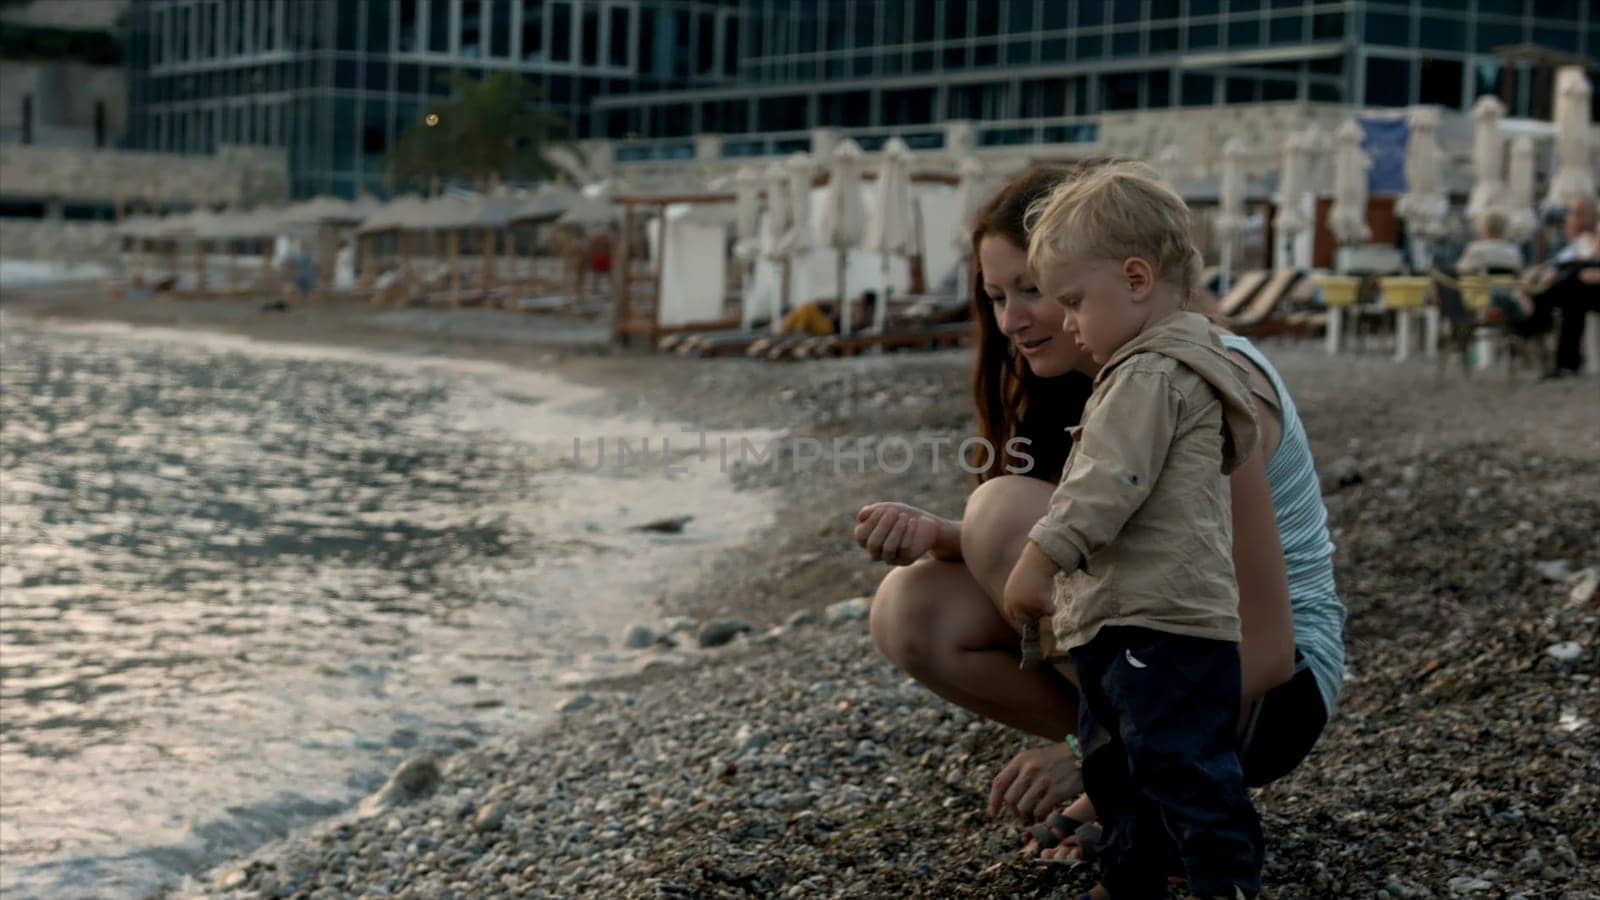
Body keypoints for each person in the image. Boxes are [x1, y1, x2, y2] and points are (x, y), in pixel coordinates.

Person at [859, 164, 1345, 866]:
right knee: (914, 605)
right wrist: (939, 538)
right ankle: (1135, 768)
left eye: (1039, 290)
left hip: (1274, 691)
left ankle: (1140, 776)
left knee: (1002, 513)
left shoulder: (1207, 385)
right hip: (1176, 662)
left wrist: (1100, 766)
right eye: (997, 296)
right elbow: (1140, 543)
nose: (1012, 320)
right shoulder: (1109, 386)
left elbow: (1267, 649)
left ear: (1127, 275)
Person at [999, 162, 1264, 898]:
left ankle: (1224, 880)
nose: (1070, 324)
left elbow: (1107, 484)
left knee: (1174, 766)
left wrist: (1041, 557)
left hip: (1155, 623)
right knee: (1128, 768)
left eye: (1076, 302)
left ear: (1138, 279)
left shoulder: (1148, 374)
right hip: (1159, 618)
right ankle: (1134, 875)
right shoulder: (1193, 365)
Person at [1522, 196, 1599, 378]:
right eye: (1572, 214)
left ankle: (1535, 320)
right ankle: (1566, 365)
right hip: (1581, 288)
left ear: (1591, 216)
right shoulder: (1578, 242)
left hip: (1589, 285)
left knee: (1572, 283)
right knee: (1572, 299)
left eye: (1577, 214)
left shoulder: (1594, 237)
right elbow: (1557, 266)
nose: (1572, 218)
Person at [1454, 209, 1524, 275]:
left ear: (1484, 227)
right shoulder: (1514, 251)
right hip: (1506, 287)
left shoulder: (1476, 249)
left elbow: (1461, 270)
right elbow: (1518, 271)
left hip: (1481, 286)